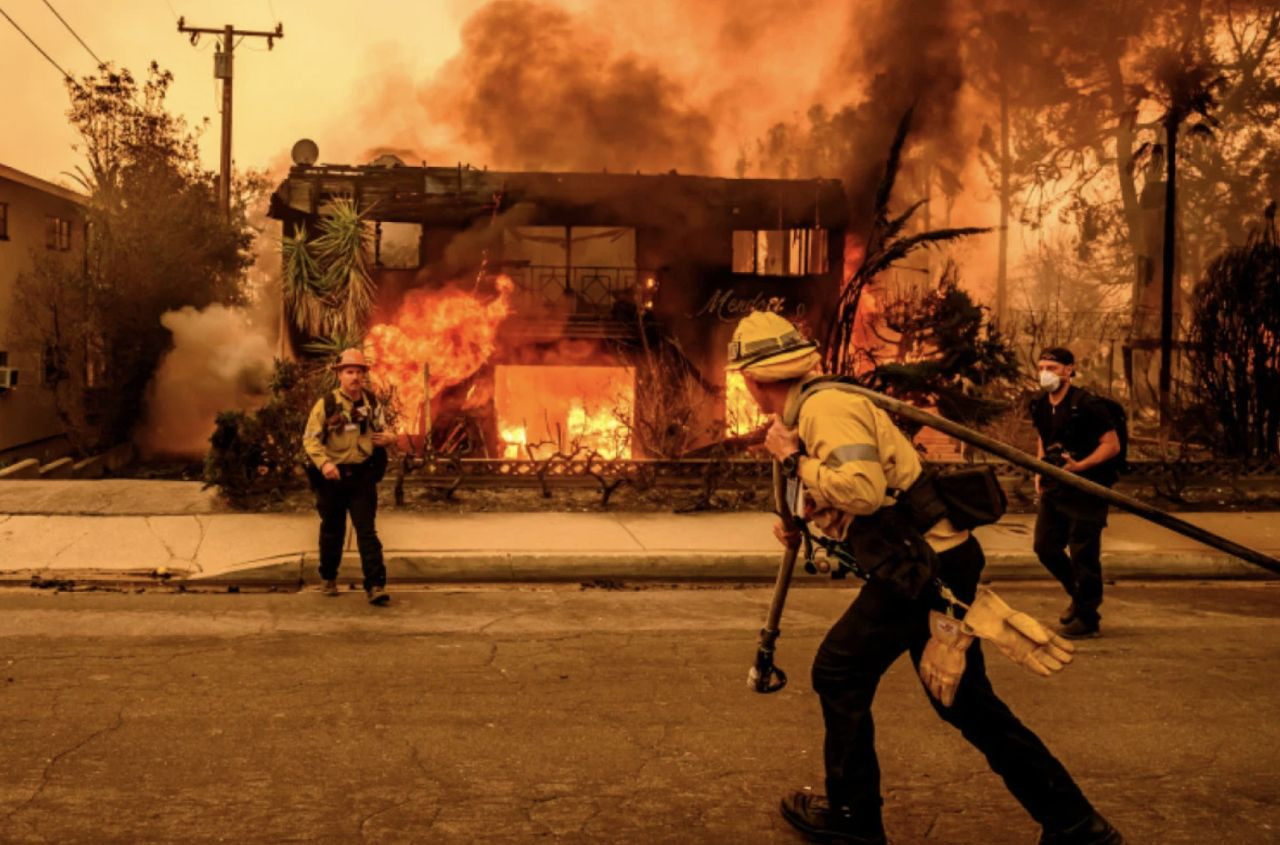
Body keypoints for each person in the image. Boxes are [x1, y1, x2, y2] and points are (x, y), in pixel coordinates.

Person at [728, 311, 1123, 845]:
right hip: (931, 560)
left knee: (838, 672)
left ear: (752, 380)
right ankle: (1077, 825)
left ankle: (853, 817)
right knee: (964, 702)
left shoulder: (825, 409)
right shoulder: (816, 406)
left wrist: (795, 460)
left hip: (923, 566)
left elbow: (863, 490)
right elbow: (860, 491)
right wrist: (805, 513)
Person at [1029, 347, 1122, 639]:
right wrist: (1038, 470)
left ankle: (1087, 617)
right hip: (1055, 487)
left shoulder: (1088, 405)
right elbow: (1043, 439)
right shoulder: (1041, 404)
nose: (1046, 373)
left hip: (1087, 488)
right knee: (1045, 547)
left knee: (1083, 552)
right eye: (1042, 367)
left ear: (1069, 369)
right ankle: (1080, 598)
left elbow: (1111, 445)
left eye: (1053, 368)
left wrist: (1080, 466)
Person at [302, 348, 397, 605]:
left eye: (359, 372)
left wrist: (389, 438)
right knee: (332, 530)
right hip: (332, 479)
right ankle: (329, 577)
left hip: (362, 477)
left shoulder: (371, 403)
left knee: (367, 531)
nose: (355, 377)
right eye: (350, 371)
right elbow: (310, 440)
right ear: (340, 375)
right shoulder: (327, 404)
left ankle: (375, 585)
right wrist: (323, 465)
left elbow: (384, 429)